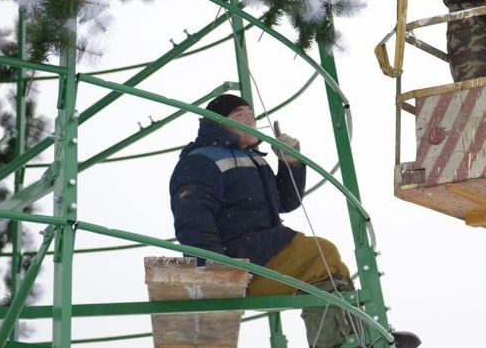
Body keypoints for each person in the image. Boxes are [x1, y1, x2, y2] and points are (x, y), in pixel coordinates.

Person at [169, 94, 421, 347]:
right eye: (239, 115)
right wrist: (216, 271)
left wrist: (290, 162)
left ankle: (358, 336)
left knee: (330, 266)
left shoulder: (252, 158)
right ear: (219, 123)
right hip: (239, 260)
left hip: (260, 250)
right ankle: (338, 342)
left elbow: (285, 201)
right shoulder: (202, 160)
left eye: (251, 114)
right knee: (319, 256)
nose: (249, 119)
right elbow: (193, 220)